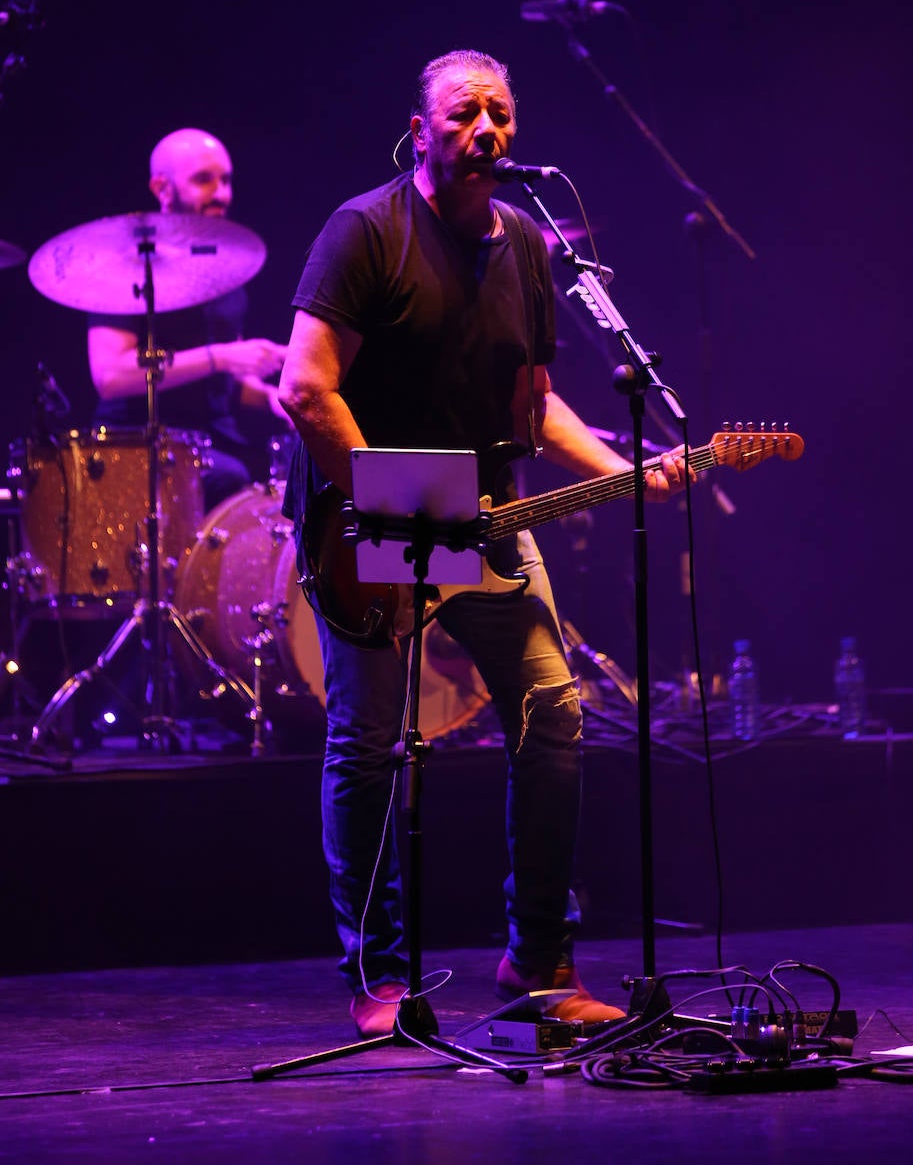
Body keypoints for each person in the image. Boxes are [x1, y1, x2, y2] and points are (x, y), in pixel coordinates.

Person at [278, 50, 690, 1039]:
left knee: (554, 709)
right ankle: (378, 975)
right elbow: (305, 387)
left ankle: (536, 959)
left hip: (485, 507)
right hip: (374, 512)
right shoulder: (363, 231)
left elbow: (533, 407)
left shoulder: (526, 248)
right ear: (420, 132)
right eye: (463, 115)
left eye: (500, 116)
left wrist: (621, 469)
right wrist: (406, 501)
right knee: (371, 741)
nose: (486, 133)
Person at [87, 127, 289, 509]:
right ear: (162, 188)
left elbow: (220, 385)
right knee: (231, 477)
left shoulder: (225, 268)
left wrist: (272, 398)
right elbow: (110, 376)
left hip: (211, 442)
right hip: (134, 445)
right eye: (204, 180)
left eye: (227, 180)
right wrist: (223, 356)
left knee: (289, 473)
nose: (223, 194)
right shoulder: (123, 267)